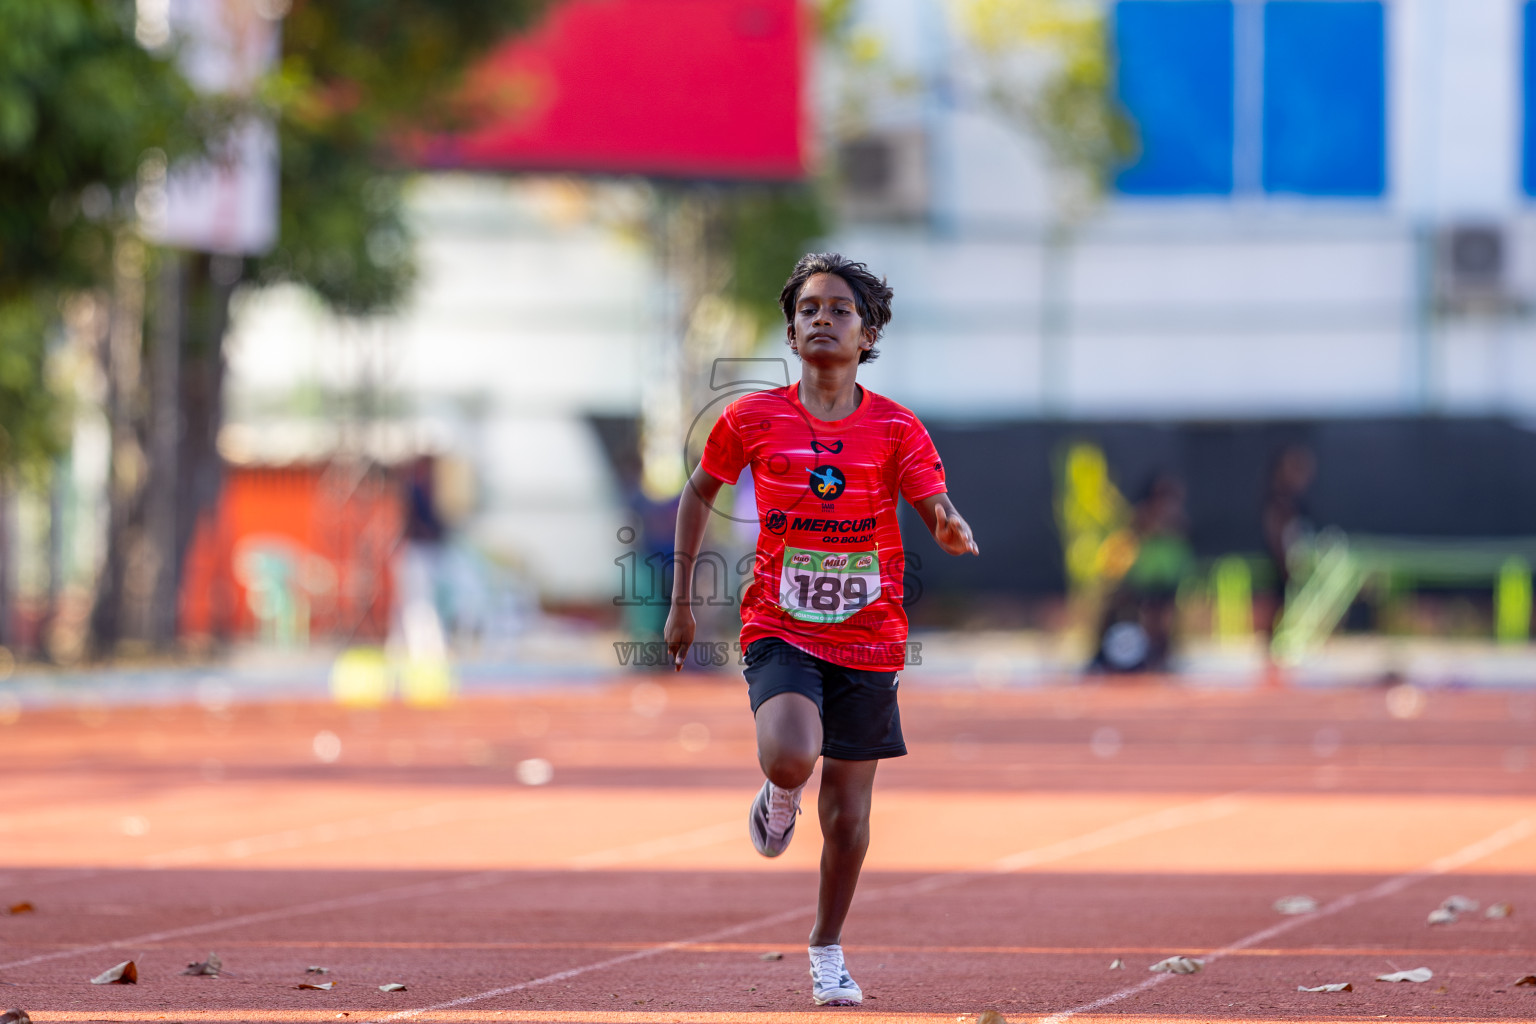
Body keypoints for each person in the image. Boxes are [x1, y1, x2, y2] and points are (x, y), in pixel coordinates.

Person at [665, 253, 979, 1007]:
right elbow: (697, 493)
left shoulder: (897, 427)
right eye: (809, 309)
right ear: (791, 329)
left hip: (870, 635)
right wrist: (677, 603)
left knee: (848, 815)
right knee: (791, 755)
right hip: (781, 623)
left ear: (867, 334)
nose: (822, 319)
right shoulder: (751, 418)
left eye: (839, 309)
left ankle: (826, 947)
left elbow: (933, 496)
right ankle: (777, 796)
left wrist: (947, 522)